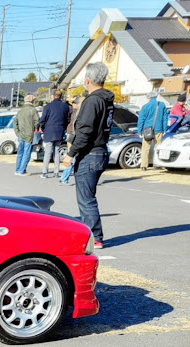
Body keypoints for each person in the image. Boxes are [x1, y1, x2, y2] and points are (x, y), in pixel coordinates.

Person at [62, 62, 114, 250]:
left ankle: (94, 236)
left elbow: (85, 131)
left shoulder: (93, 101)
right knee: (88, 196)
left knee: (86, 198)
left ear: (88, 80)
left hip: (90, 153)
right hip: (100, 150)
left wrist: (70, 154)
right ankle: (91, 234)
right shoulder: (107, 100)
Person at [39, 90, 71, 178]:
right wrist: (63, 127)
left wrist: (43, 127)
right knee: (57, 151)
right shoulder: (65, 106)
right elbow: (67, 119)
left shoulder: (48, 106)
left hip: (49, 131)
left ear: (53, 96)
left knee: (48, 152)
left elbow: (43, 119)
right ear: (61, 96)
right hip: (60, 130)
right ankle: (56, 172)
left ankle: (45, 172)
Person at [136, 90, 168, 172]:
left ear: (148, 97)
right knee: (157, 148)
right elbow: (165, 118)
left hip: (147, 130)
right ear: (156, 96)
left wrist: (140, 131)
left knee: (145, 148)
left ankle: (143, 166)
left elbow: (141, 120)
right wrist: (165, 129)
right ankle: (156, 164)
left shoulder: (145, 106)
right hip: (159, 129)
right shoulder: (162, 105)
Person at [13, 94, 40, 176]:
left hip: (20, 134)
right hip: (29, 134)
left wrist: (17, 132)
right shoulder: (33, 110)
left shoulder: (20, 111)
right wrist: (36, 128)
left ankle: (17, 169)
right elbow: (37, 121)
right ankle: (22, 170)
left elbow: (15, 122)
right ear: (31, 101)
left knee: (20, 153)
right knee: (26, 153)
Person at [59, 95, 82, 185]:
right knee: (73, 157)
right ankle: (64, 178)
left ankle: (65, 178)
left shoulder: (73, 112)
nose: (74, 105)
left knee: (74, 157)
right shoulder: (76, 113)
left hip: (71, 134)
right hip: (73, 135)